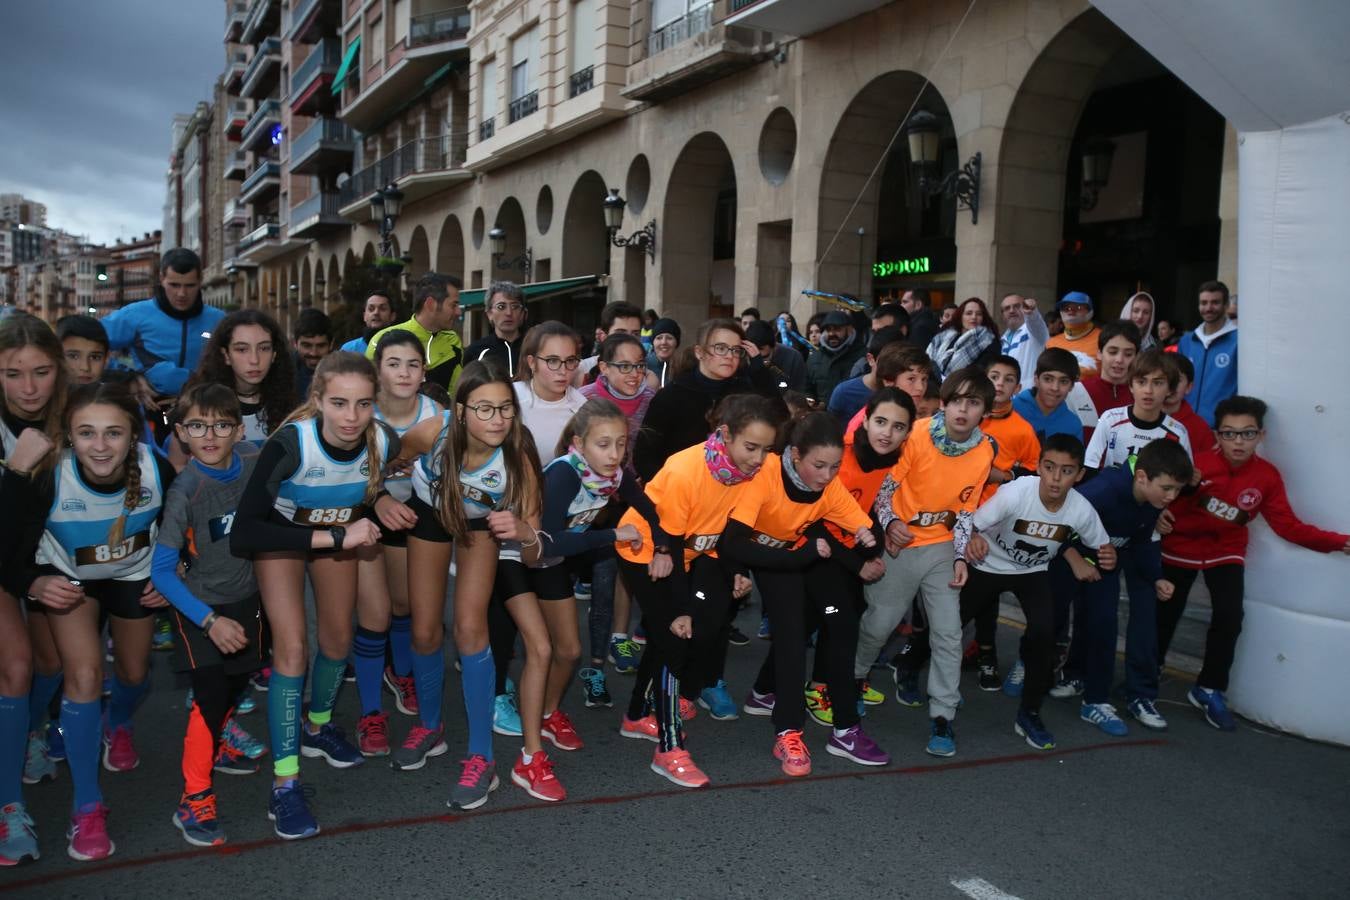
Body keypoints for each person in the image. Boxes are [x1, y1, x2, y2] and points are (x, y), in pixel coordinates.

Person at [1, 383, 176, 862]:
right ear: (68, 437)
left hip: (130, 576)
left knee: (135, 674)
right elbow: (6, 550)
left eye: (113, 433)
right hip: (66, 581)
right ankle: (87, 807)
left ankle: (115, 723)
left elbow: (186, 529)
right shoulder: (48, 476)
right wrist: (33, 584)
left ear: (134, 436)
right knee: (82, 674)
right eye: (87, 433)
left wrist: (174, 572)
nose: (100, 446)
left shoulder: (157, 468)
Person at [230, 352, 400, 839]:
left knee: (337, 640)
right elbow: (245, 533)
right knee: (292, 650)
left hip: (336, 536)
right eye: (340, 403)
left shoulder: (381, 441)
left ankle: (317, 725)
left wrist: (381, 498)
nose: (351, 417)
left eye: (364, 404)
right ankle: (285, 785)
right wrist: (331, 538)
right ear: (318, 400)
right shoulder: (290, 444)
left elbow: (364, 486)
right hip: (281, 538)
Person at [391, 361, 544, 810]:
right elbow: (381, 460)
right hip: (430, 516)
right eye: (484, 409)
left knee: (470, 630)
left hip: (481, 529)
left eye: (505, 409)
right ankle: (431, 727)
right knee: (423, 629)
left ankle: (482, 757)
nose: (497, 419)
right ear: (460, 412)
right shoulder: (433, 431)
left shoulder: (518, 459)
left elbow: (536, 553)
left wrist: (521, 530)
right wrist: (382, 495)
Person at [615, 395, 780, 787]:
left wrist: (737, 569)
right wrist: (681, 608)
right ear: (724, 435)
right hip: (647, 550)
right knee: (674, 636)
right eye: (750, 447)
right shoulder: (685, 469)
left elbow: (734, 528)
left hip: (692, 552)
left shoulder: (761, 469)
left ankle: (636, 715)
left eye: (766, 449)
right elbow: (667, 543)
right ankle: (668, 749)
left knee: (669, 636)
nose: (759, 458)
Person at [1158, 396, 1350, 731]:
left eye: (1247, 434)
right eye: (1229, 434)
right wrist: (1162, 515)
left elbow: (1288, 526)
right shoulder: (1196, 465)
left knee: (1230, 616)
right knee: (1165, 613)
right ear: (1217, 435)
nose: (1238, 441)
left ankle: (1208, 688)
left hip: (1226, 551)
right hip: (1180, 547)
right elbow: (1160, 498)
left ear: (1261, 436)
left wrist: (1340, 543)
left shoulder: (1267, 476)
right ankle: (1146, 675)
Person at [721, 412, 884, 775]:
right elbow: (733, 545)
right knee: (792, 634)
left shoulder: (829, 486)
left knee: (841, 620)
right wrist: (802, 555)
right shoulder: (766, 475)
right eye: (819, 466)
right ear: (795, 455)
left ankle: (844, 728)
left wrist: (870, 540)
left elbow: (864, 527)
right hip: (755, 551)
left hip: (797, 550)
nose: (827, 476)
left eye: (835, 467)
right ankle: (788, 730)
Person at [519, 399, 665, 800]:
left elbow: (649, 508)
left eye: (621, 444)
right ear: (580, 443)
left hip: (553, 564)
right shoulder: (564, 476)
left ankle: (549, 714)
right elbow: (548, 540)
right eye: (604, 444)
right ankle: (524, 747)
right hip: (517, 560)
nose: (615, 454)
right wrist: (612, 536)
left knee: (569, 651)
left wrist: (666, 544)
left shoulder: (615, 473)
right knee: (541, 650)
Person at [854, 367, 996, 758]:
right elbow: (885, 490)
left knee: (948, 633)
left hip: (942, 548)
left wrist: (961, 554)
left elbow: (966, 509)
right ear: (945, 403)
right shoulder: (915, 435)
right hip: (901, 546)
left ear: (985, 410)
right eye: (956, 401)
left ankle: (943, 716)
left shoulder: (985, 450)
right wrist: (892, 522)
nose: (963, 410)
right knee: (880, 624)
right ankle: (854, 679)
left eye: (974, 403)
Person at [151, 384, 267, 847]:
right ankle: (194, 797)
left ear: (238, 429)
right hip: (199, 607)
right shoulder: (186, 491)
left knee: (239, 680)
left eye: (222, 424)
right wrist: (208, 621)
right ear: (181, 433)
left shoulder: (256, 460)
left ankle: (218, 741)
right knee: (210, 693)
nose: (211, 434)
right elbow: (162, 571)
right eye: (197, 426)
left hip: (247, 596)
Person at [960, 433, 1115, 750]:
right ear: (1039, 467)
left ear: (1079, 474)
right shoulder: (1016, 492)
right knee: (949, 625)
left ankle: (1029, 713)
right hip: (989, 564)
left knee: (1045, 633)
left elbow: (1102, 547)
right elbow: (973, 523)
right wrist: (974, 537)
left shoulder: (1082, 509)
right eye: (1049, 467)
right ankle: (910, 665)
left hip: (1031, 572)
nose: (1056, 478)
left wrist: (1107, 557)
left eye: (1067, 470)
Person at [1053, 439, 1192, 735]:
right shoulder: (1103, 492)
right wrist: (1078, 559)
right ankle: (1040, 671)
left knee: (1103, 622)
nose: (1172, 497)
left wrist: (1157, 577)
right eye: (1167, 488)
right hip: (1065, 556)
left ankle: (1095, 700)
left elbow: (1140, 542)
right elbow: (1058, 521)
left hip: (1106, 562)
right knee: (1051, 620)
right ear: (1142, 478)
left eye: (1178, 490)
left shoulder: (1151, 500)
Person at [370, 330, 444, 723]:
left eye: (413, 364)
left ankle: (401, 671)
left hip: (418, 513)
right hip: (365, 509)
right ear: (378, 370)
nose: (403, 372)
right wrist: (379, 490)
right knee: (375, 609)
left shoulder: (435, 413)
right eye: (393, 364)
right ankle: (387, 664)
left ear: (424, 371)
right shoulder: (362, 411)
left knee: (406, 604)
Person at [635, 318, 780, 482]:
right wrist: (668, 488)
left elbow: (779, 420)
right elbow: (644, 455)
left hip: (736, 491)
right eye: (721, 348)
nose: (729, 356)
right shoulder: (672, 395)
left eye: (735, 350)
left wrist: (759, 369)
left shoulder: (745, 393)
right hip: (681, 491)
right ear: (699, 352)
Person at [100, 248, 225, 398]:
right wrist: (126, 377)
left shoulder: (219, 321)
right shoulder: (135, 315)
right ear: (161, 279)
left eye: (190, 285)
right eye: (174, 285)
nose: (181, 294)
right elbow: (86, 342)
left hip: (204, 408)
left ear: (200, 281)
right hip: (150, 410)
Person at [182, 309, 296, 449]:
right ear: (226, 355)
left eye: (264, 348)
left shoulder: (290, 404)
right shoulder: (198, 401)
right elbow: (178, 462)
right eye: (242, 349)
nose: (254, 360)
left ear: (274, 354)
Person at [1084, 350, 1193, 473]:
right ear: (1131, 386)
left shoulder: (1178, 433)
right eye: (1141, 382)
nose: (1148, 390)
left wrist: (1193, 483)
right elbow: (1089, 467)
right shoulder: (1110, 419)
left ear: (1170, 389)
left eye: (1158, 383)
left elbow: (1183, 481)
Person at [366, 272, 464, 393]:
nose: (458, 312)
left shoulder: (453, 341)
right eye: (453, 305)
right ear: (431, 304)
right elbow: (369, 393)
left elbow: (456, 395)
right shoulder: (382, 340)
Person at [514, 322, 588, 467]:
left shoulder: (583, 409)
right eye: (552, 361)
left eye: (570, 361)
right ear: (532, 362)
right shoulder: (509, 397)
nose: (563, 370)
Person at [980, 356, 1041, 504]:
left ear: (1017, 388)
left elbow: (1036, 470)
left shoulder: (1023, 429)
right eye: (994, 377)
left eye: (1008, 380)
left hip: (994, 507)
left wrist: (1005, 476)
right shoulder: (966, 416)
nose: (1000, 383)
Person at [1176, 280, 1238, 426]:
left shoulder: (1239, 341)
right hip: (1184, 424)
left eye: (1215, 302)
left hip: (1219, 428)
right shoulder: (1186, 341)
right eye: (1204, 303)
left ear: (1226, 305)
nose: (1208, 308)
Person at [1076, 320, 1141, 444]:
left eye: (1128, 354)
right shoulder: (1076, 391)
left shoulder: (1143, 397)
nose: (1119, 360)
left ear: (1137, 357)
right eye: (1112, 352)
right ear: (1099, 353)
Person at [827, 327, 905, 424]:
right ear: (871, 359)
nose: (892, 370)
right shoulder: (844, 392)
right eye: (887, 363)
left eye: (898, 365)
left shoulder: (907, 392)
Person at [1012, 348, 1084, 442]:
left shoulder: (1073, 425)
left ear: (1072, 386)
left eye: (1063, 381)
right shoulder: (1011, 409)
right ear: (1036, 379)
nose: (1055, 388)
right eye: (1048, 379)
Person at [926, 297, 999, 382]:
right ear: (961, 316)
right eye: (969, 313)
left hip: (963, 390)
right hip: (932, 386)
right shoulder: (945, 335)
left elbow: (981, 371)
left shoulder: (989, 341)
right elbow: (927, 358)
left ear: (983, 318)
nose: (974, 317)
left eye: (979, 314)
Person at [464, 282, 527, 377]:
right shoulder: (476, 351)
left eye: (515, 306)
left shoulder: (534, 347)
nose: (509, 313)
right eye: (501, 307)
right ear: (489, 314)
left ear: (522, 313)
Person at [574, 301, 642, 386]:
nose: (629, 340)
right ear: (603, 336)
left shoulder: (648, 377)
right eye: (620, 333)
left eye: (635, 334)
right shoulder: (581, 371)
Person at [805, 310, 865, 403]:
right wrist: (812, 402)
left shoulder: (862, 356)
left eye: (837, 329)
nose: (832, 334)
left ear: (849, 330)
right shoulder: (814, 358)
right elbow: (807, 388)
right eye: (828, 329)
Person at [1162, 354, 1216, 454]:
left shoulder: (1200, 428)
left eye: (1178, 380)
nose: (1171, 385)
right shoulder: (1140, 417)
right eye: (1165, 378)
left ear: (1189, 387)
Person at [1044, 291, 1102, 379]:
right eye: (1066, 308)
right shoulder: (1051, 343)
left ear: (1090, 312)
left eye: (1078, 307)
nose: (1070, 311)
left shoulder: (1103, 338)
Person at [998, 294, 1048, 392]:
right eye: (1007, 308)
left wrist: (1031, 313)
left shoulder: (1034, 332)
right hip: (1009, 398)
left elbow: (1035, 322)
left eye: (1017, 306)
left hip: (1030, 398)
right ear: (1003, 315)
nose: (1011, 310)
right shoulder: (1002, 339)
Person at [746, 320, 807, 393]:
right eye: (753, 358)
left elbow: (798, 394)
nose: (758, 362)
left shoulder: (793, 358)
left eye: (764, 358)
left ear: (775, 347)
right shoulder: (740, 358)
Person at [291, 308, 333, 399]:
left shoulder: (342, 373)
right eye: (307, 345)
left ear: (331, 345)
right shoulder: (280, 374)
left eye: (321, 346)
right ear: (294, 343)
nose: (313, 353)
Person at [55, 315, 109, 386]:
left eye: (95, 357)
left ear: (106, 359)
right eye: (73, 356)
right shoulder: (41, 395)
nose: (85, 367)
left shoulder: (114, 396)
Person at [644, 317, 681, 390]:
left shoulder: (683, 369)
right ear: (653, 342)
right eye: (659, 338)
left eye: (669, 338)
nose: (664, 342)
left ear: (676, 343)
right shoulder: (643, 366)